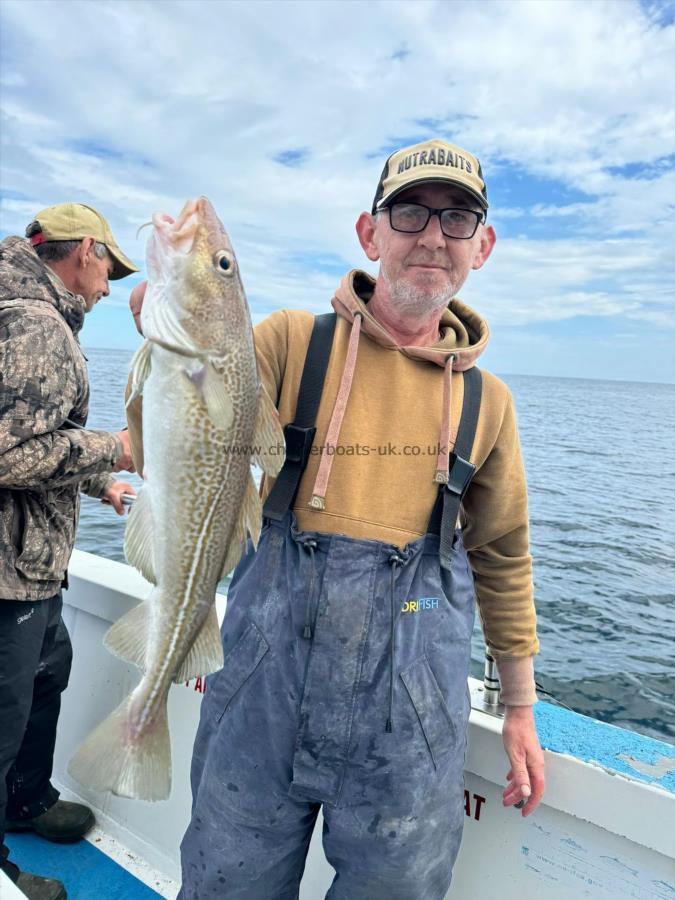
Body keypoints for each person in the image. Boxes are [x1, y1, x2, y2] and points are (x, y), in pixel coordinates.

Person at [131, 138, 546, 899]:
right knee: (227, 880)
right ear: (370, 232)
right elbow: (179, 421)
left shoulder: (490, 404)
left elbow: (503, 557)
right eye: (410, 212)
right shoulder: (288, 343)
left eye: (457, 219)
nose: (431, 235)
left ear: (480, 247)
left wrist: (518, 707)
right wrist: (162, 311)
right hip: (260, 690)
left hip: (409, 721)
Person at [0, 203, 138, 900]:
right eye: (110, 266)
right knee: (3, 717)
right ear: (84, 251)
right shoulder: (35, 323)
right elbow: (11, 452)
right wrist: (112, 445)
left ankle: (25, 800)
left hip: (33, 567)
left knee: (47, 675)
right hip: (7, 574)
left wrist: (100, 481)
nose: (111, 286)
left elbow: (36, 432)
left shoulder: (27, 309)